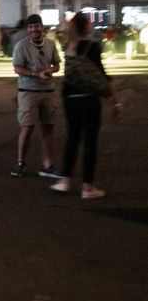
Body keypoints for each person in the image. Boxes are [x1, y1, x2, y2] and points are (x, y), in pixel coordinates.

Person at [51, 11, 122, 199]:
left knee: (72, 138)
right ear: (86, 26)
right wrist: (115, 101)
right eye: (89, 23)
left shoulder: (68, 46)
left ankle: (64, 181)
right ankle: (87, 187)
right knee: (90, 141)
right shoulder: (92, 46)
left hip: (69, 98)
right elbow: (103, 75)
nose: (91, 25)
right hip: (89, 99)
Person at [11, 13, 60, 178]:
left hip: (48, 91)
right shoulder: (21, 46)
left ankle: (48, 164)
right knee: (27, 128)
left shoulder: (51, 44)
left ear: (42, 27)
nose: (34, 29)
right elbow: (17, 68)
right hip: (28, 92)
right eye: (31, 27)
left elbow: (57, 65)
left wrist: (50, 70)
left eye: (36, 26)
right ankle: (20, 163)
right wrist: (35, 74)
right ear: (27, 29)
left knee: (48, 128)